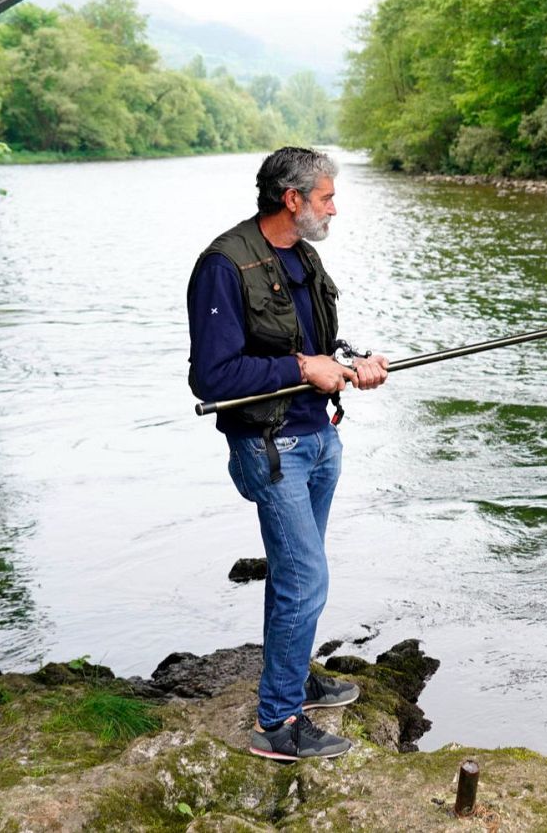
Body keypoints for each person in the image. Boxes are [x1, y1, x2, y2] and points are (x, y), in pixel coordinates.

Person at [186, 147, 391, 761]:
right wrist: (304, 366)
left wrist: (353, 365)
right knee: (305, 576)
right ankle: (277, 724)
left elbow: (317, 346)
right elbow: (213, 377)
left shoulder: (304, 253)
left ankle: (294, 675)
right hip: (271, 447)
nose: (335, 207)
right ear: (292, 199)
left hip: (319, 436)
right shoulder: (223, 266)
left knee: (294, 572)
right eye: (326, 197)